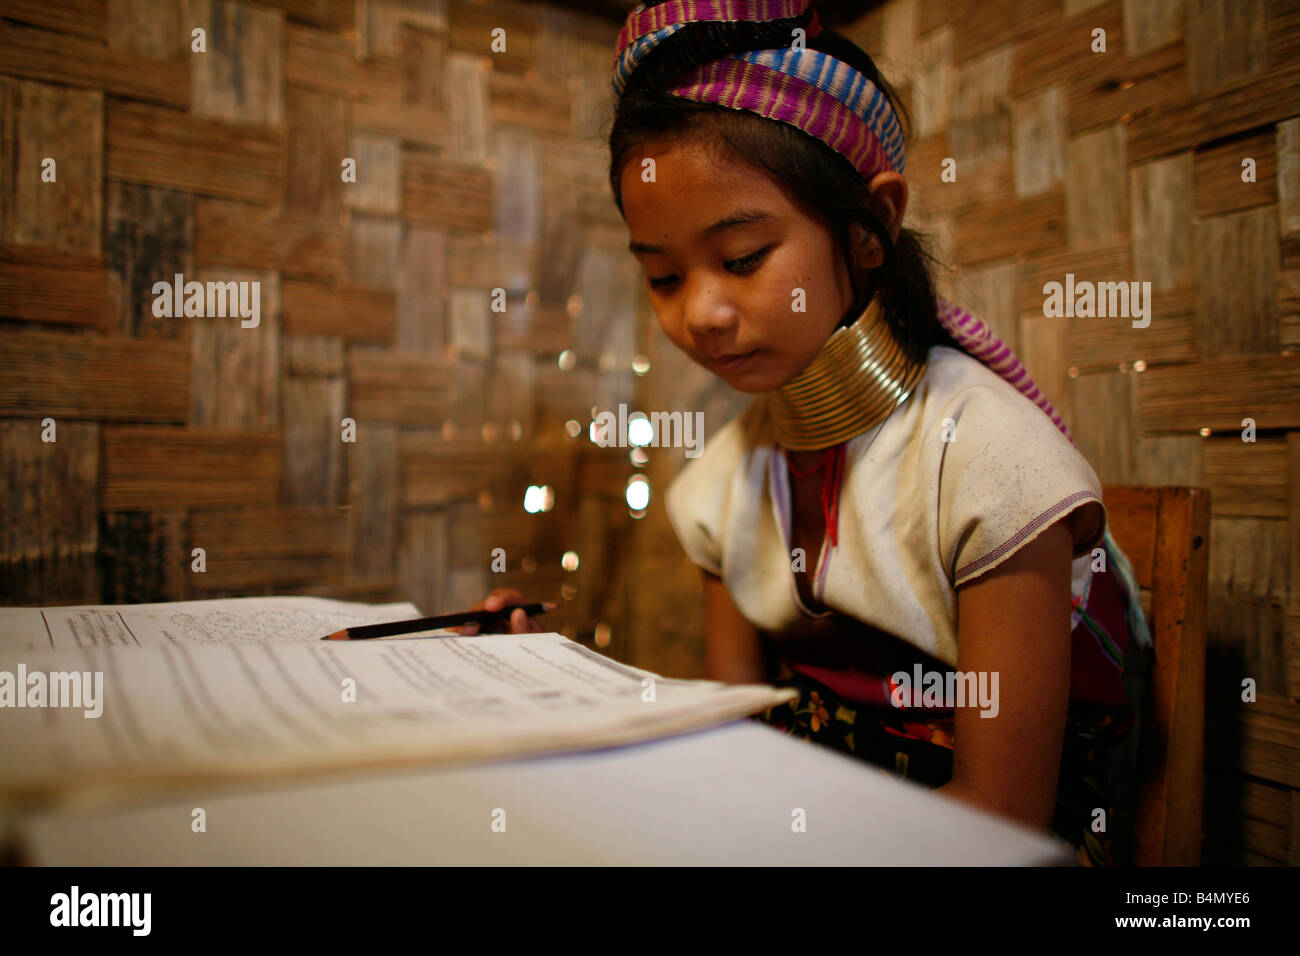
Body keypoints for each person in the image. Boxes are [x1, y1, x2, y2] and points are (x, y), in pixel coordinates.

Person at [465, 0, 1151, 867]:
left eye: (744, 258)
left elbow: (998, 821)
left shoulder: (992, 462)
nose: (701, 314)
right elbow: (733, 736)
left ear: (870, 229)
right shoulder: (728, 482)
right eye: (664, 276)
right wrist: (542, 686)